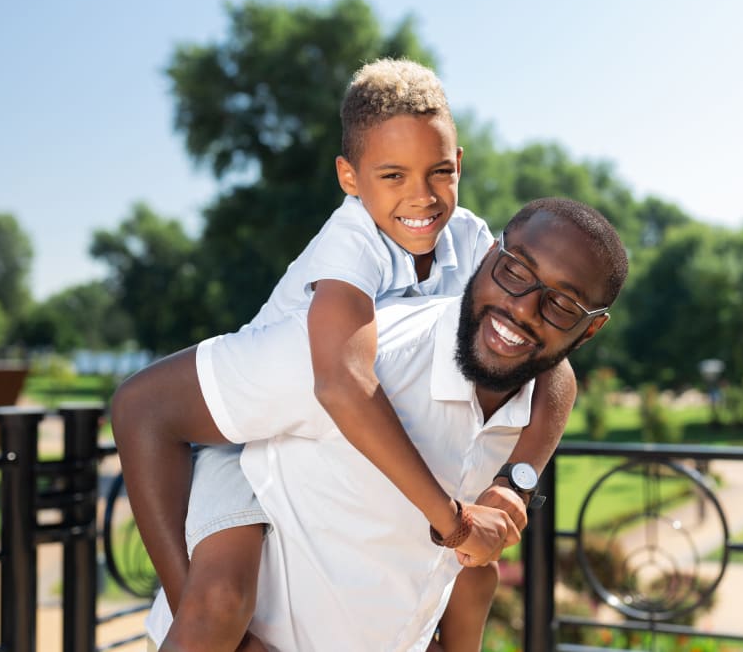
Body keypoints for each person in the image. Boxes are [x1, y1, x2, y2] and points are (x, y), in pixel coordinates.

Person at [113, 59, 576, 651]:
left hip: (321, 455)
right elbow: (341, 381)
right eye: (392, 175)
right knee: (220, 601)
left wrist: (513, 485)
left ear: (459, 164)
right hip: (245, 444)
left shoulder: (467, 238)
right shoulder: (353, 240)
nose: (422, 197)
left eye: (439, 171)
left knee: (473, 579)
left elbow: (554, 368)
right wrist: (454, 518)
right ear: (350, 177)